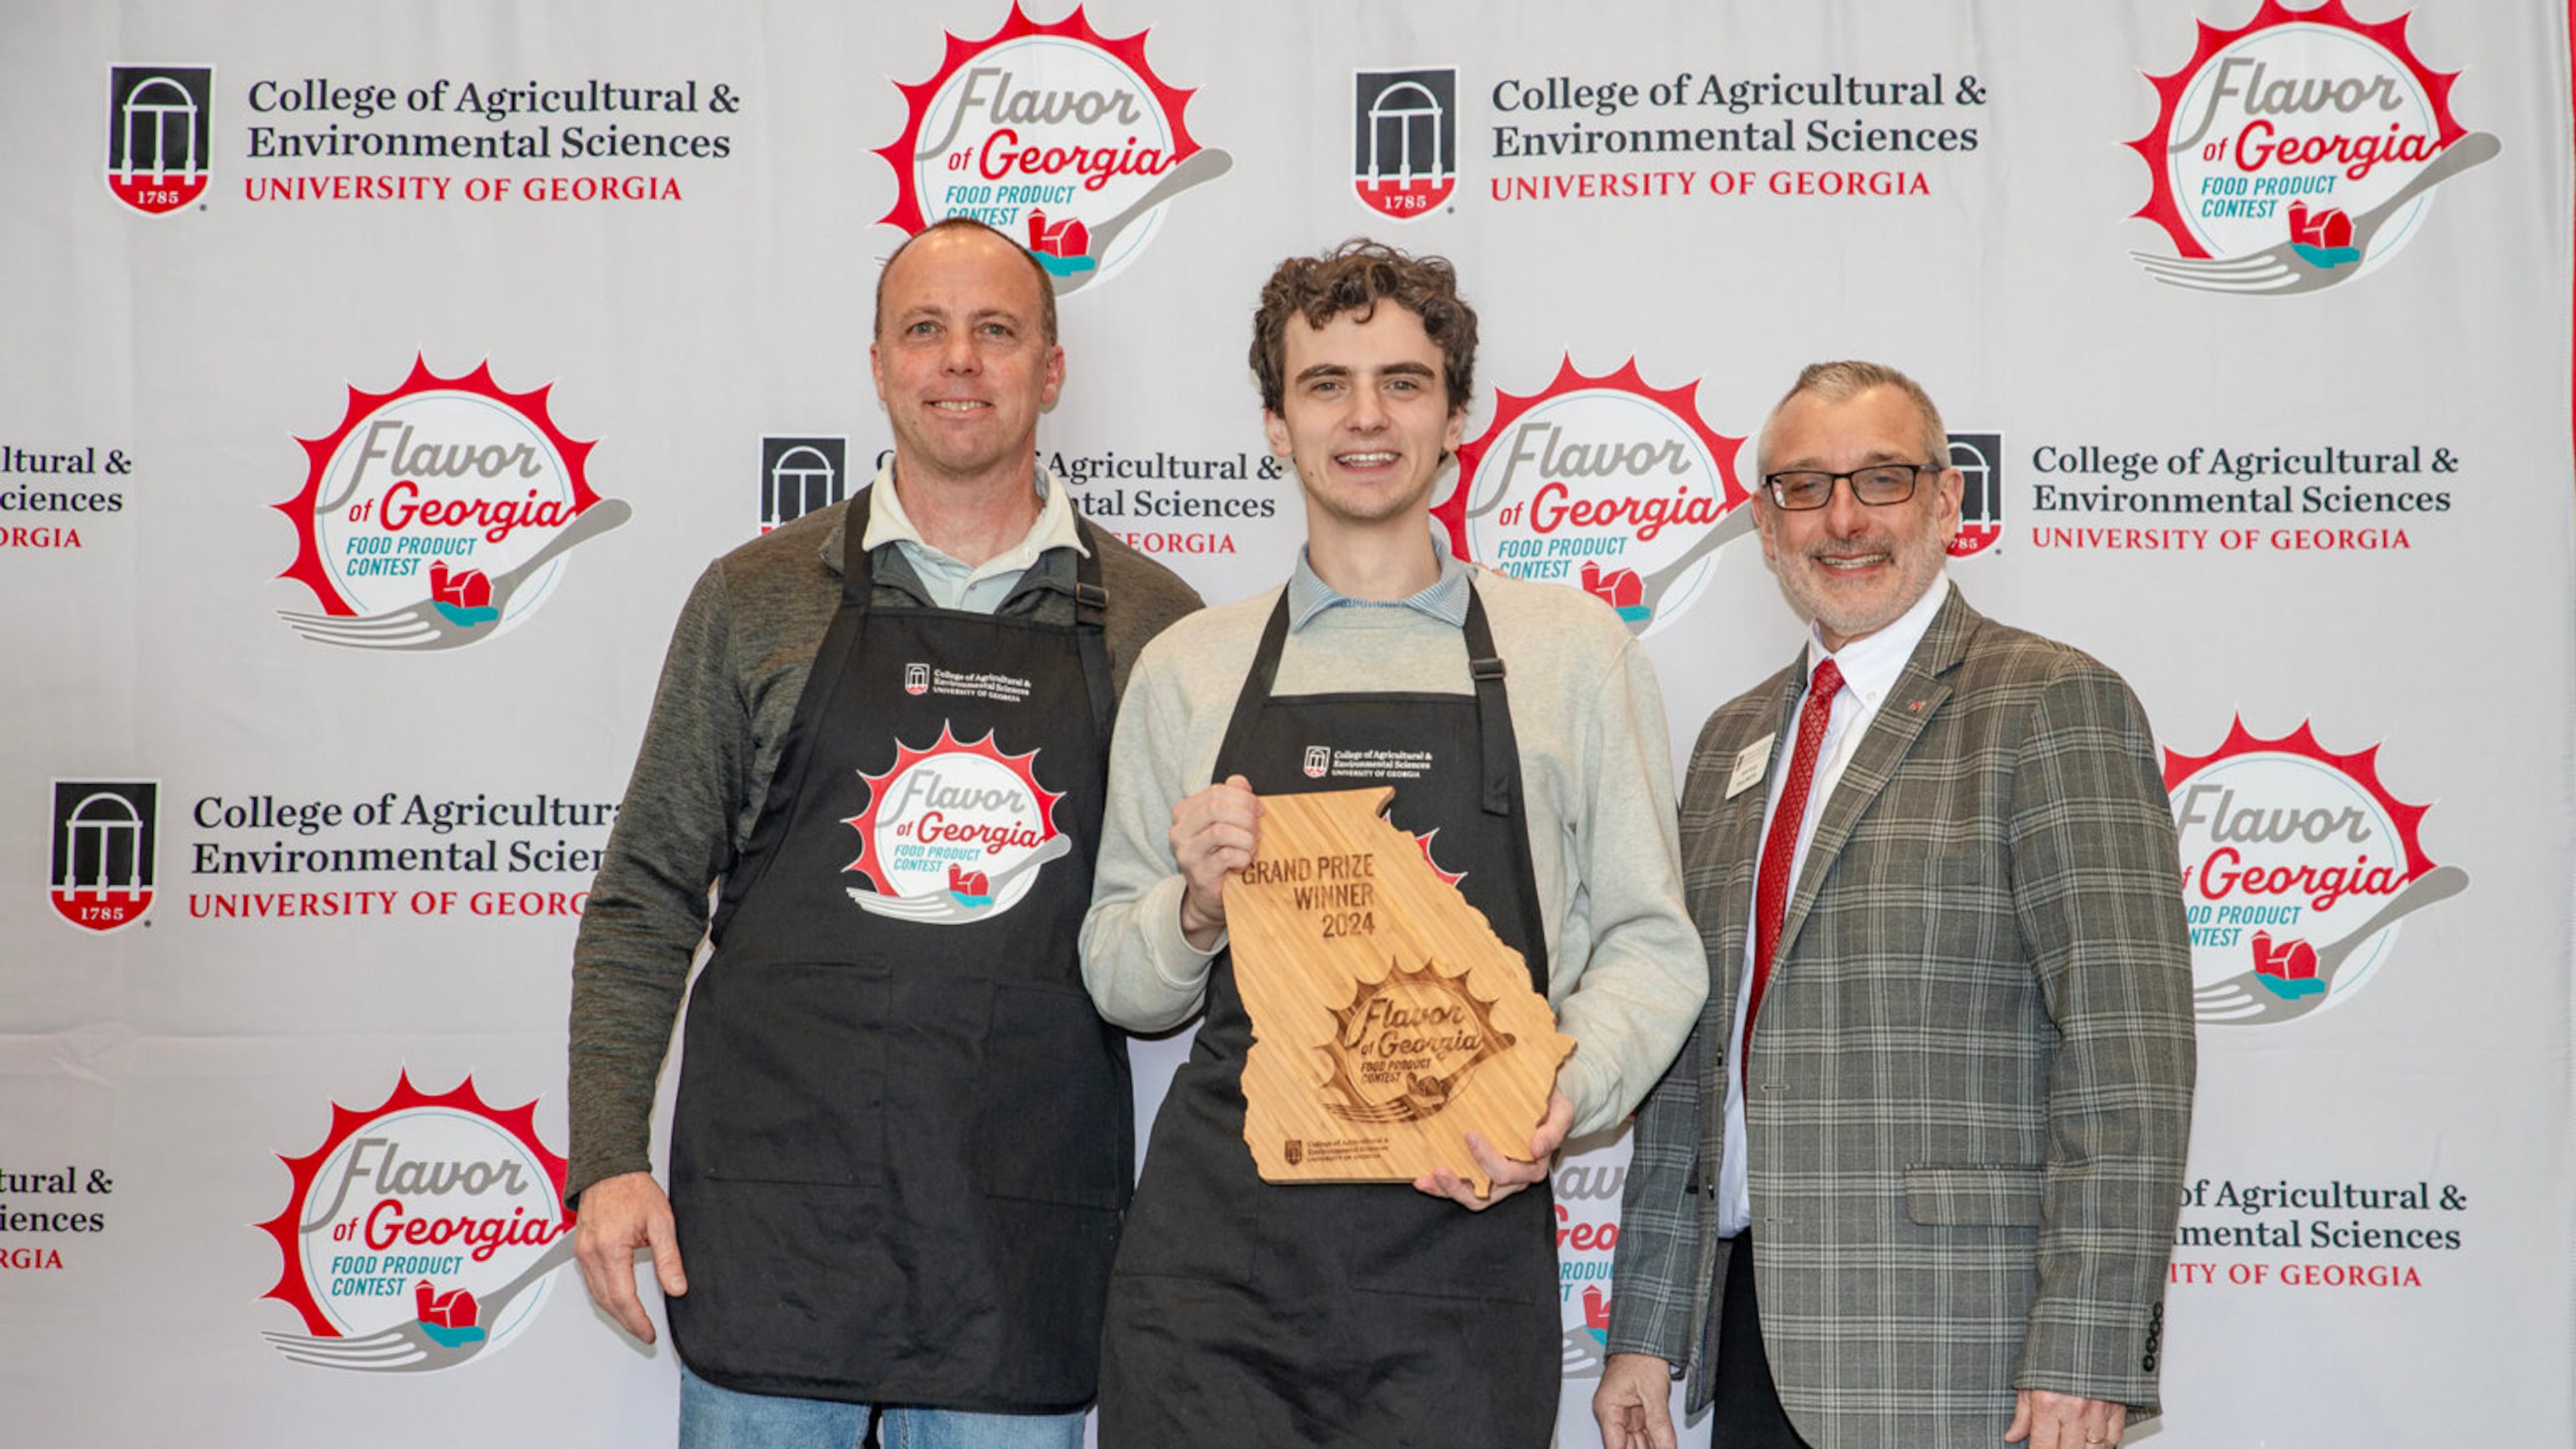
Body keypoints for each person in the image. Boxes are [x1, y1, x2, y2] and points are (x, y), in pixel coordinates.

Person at [566, 217, 1200, 1448]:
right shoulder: (754, 598)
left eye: (997, 331)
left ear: (1052, 370)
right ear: (878, 364)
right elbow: (645, 897)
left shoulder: (1156, 627)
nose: (959, 361)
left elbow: (1165, 968)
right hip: (770, 1234)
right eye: (926, 330)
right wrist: (606, 1157)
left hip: (1018, 1249)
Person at [1080, 239, 1708, 1446]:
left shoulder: (1574, 656)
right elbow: (1118, 974)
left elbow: (1649, 943)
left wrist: (1559, 1093)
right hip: (1215, 1284)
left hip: (1458, 1272)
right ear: (1275, 422)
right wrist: (1196, 911)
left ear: (1456, 415)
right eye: (1325, 385)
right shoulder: (1194, 667)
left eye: (1403, 383)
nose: (1365, 418)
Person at [1593, 361, 2195, 1449]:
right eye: (1804, 488)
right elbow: (1692, 1072)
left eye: (1881, 479)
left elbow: (2128, 1055)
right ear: (1764, 524)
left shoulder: (2052, 704)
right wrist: (1646, 1325)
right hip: (1751, 1333)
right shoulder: (1730, 739)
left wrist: (2088, 1352)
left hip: (1971, 1357)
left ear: (1948, 501)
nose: (1842, 520)